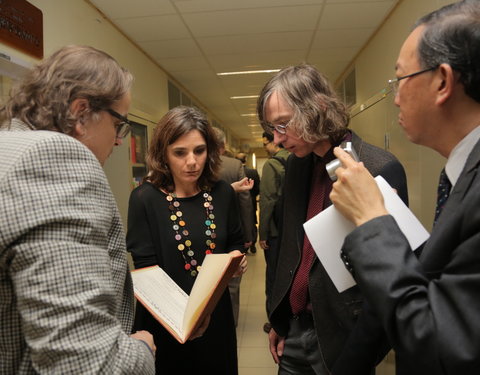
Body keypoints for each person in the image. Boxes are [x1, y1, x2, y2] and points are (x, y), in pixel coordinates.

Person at [329, 2, 480, 374]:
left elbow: (441, 346)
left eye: (400, 79)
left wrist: (372, 220)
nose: (395, 97)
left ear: (442, 82)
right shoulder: (462, 175)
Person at [0, 45, 155, 374]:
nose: (118, 141)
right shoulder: (53, 157)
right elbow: (86, 364)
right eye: (119, 124)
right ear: (80, 113)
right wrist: (141, 349)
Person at [256, 63, 409, 375]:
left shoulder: (377, 168)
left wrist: (363, 352)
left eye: (283, 124)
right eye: (273, 128)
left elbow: (391, 274)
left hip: (344, 336)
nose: (277, 139)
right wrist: (279, 318)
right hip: (295, 330)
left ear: (318, 108)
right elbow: (290, 245)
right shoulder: (297, 165)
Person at [127, 106, 247, 374]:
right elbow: (146, 269)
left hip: (215, 315)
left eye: (199, 151)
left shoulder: (222, 193)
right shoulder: (144, 199)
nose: (192, 161)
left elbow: (236, 241)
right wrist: (187, 320)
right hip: (164, 321)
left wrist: (236, 259)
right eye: (180, 153)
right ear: (163, 155)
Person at [213, 127, 254, 326]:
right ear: (223, 146)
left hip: (207, 234)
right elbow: (245, 201)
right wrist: (248, 233)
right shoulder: (235, 165)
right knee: (233, 283)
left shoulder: (198, 168)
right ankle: (231, 323)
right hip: (231, 231)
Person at [259, 131, 290, 333]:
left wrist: (262, 233)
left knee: (273, 275)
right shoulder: (297, 158)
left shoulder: (272, 164)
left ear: (274, 142)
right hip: (294, 228)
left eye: (265, 144)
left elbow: (268, 201)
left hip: (277, 231)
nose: (265, 148)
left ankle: (274, 320)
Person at [236, 152, 261, 254]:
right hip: (251, 201)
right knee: (252, 221)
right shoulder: (253, 172)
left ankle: (243, 245)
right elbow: (257, 188)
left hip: (237, 202)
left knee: (241, 222)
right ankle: (253, 243)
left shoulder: (234, 170)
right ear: (245, 159)